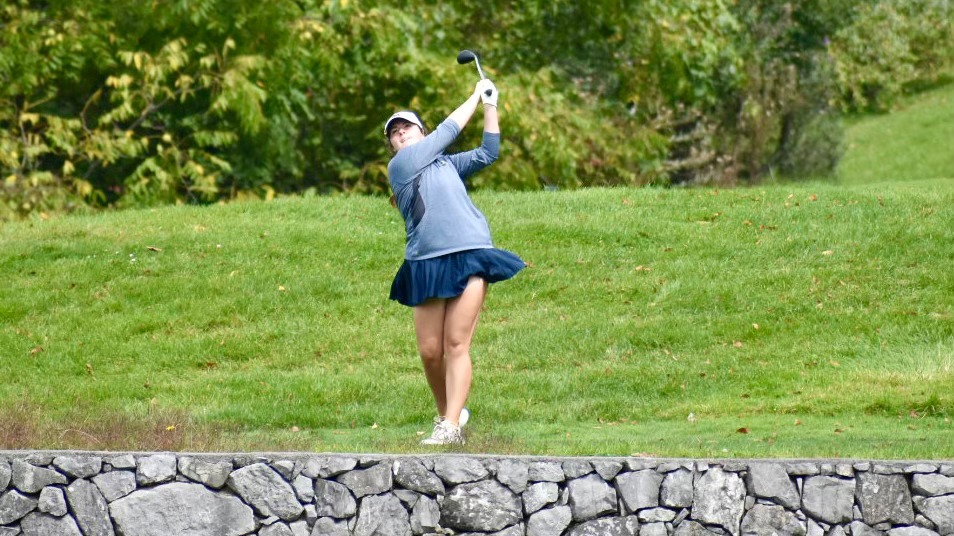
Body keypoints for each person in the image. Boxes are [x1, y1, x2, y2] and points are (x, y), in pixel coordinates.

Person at [384, 78, 525, 445]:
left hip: (470, 254)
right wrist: (476, 95)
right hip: (425, 262)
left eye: (407, 128)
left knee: (456, 343)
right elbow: (449, 129)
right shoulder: (402, 166)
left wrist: (491, 105)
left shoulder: (446, 165)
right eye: (394, 133)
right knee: (430, 352)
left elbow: (487, 153)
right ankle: (451, 413)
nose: (401, 135)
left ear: (420, 131)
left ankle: (449, 427)